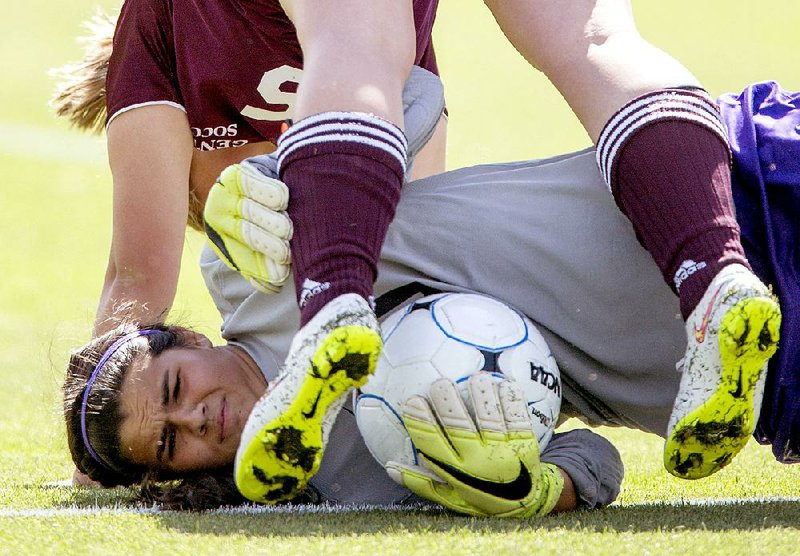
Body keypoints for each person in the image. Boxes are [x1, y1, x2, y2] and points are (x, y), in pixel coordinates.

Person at [206, 0, 782, 502]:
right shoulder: (350, 475)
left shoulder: (235, 276)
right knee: (596, 40)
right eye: (168, 442)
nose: (194, 416)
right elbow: (415, 92)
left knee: (355, 40)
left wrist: (275, 176)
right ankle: (714, 272)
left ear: (184, 339)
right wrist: (533, 490)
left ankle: (331, 295)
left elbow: (396, 82)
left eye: (173, 386)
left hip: (756, 202)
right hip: (779, 364)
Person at [51, 0, 444, 503]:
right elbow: (419, 225)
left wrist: (99, 450)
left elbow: (138, 279)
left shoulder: (159, 28)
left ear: (186, 158)